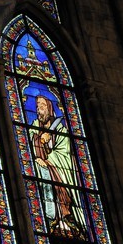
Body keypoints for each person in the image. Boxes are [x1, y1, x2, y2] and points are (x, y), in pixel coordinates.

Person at [30, 93, 88, 236]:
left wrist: (48, 158)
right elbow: (29, 145)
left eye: (42, 106)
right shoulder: (34, 127)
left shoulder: (60, 129)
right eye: (37, 107)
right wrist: (38, 139)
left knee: (47, 172)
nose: (39, 110)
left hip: (57, 170)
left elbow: (64, 154)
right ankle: (49, 218)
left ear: (49, 109)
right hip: (41, 167)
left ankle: (67, 218)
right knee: (40, 172)